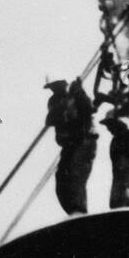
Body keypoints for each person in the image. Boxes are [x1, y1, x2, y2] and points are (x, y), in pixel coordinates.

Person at [45, 78, 97, 216]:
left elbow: (89, 110)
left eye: (56, 86)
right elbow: (51, 119)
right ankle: (75, 212)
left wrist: (78, 93)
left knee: (74, 177)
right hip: (71, 144)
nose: (54, 90)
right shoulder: (56, 101)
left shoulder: (77, 96)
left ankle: (79, 211)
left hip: (82, 142)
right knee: (63, 179)